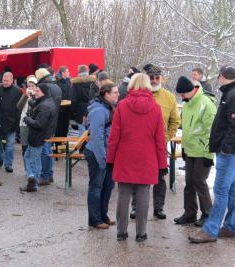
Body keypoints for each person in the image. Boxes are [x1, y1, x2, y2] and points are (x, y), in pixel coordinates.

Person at [189, 65, 235, 243]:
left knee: (220, 189)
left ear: (222, 77)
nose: (218, 79)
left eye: (219, 76)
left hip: (230, 151)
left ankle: (211, 229)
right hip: (233, 150)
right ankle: (231, 227)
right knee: (231, 188)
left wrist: (225, 148)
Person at [106, 73, 168, 242]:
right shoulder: (155, 108)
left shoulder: (122, 106)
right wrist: (163, 164)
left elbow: (114, 137)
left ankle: (121, 232)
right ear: (148, 86)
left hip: (125, 156)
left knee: (123, 196)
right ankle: (141, 233)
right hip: (147, 159)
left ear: (131, 85)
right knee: (143, 197)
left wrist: (110, 159)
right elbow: (160, 140)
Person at [130, 64, 180, 220]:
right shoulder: (136, 95)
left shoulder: (169, 97)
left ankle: (159, 208)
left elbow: (175, 121)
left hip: (159, 144)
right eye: (151, 78)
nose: (154, 80)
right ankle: (136, 207)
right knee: (137, 175)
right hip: (139, 143)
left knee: (160, 175)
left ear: (161, 79)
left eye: (157, 77)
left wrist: (166, 137)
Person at [173, 76, 216, 227]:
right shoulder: (187, 104)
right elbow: (187, 129)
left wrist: (209, 154)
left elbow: (211, 131)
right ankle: (190, 213)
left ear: (190, 90)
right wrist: (184, 148)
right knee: (189, 183)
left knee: (199, 181)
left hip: (203, 151)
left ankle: (207, 214)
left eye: (182, 94)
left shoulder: (206, 104)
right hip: (190, 149)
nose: (181, 97)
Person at [85, 82, 119, 229]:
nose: (118, 95)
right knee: (96, 186)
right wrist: (102, 159)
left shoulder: (107, 107)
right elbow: (97, 137)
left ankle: (103, 215)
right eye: (115, 92)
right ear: (106, 94)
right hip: (97, 153)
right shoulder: (99, 110)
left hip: (107, 153)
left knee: (108, 186)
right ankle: (95, 219)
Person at [20, 83, 58, 192]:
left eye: (37, 91)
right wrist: (32, 102)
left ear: (44, 92)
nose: (35, 92)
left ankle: (33, 184)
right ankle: (31, 177)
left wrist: (27, 119)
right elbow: (39, 107)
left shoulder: (45, 105)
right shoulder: (46, 102)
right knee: (27, 157)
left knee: (34, 161)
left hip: (38, 137)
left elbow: (39, 124)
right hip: (37, 137)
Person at [35, 68, 62, 185]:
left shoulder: (44, 86)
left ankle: (44, 176)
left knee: (44, 150)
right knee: (48, 148)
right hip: (53, 120)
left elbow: (43, 104)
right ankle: (49, 174)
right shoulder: (57, 86)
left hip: (45, 120)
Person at [0, 72, 22, 173]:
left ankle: (8, 164)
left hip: (12, 122)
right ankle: (0, 158)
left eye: (7, 81)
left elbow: (19, 108)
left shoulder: (18, 91)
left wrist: (17, 121)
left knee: (10, 145)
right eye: (3, 80)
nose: (4, 82)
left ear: (12, 80)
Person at [71, 65, 96, 136]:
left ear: (78, 72)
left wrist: (73, 111)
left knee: (82, 132)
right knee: (92, 131)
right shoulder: (93, 82)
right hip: (92, 108)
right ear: (87, 71)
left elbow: (73, 99)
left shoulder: (75, 84)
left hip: (80, 110)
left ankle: (82, 146)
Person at [17, 76, 37, 158]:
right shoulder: (25, 94)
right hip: (24, 123)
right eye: (29, 86)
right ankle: (26, 166)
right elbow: (18, 106)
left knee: (33, 146)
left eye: (33, 86)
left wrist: (34, 97)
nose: (31, 88)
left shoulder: (39, 94)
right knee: (24, 145)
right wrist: (25, 96)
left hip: (34, 123)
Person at [55, 66, 72, 137]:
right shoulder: (57, 82)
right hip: (60, 107)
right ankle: (58, 141)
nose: (69, 73)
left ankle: (64, 139)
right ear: (63, 73)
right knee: (60, 125)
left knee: (66, 124)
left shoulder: (69, 80)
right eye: (67, 71)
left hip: (68, 106)